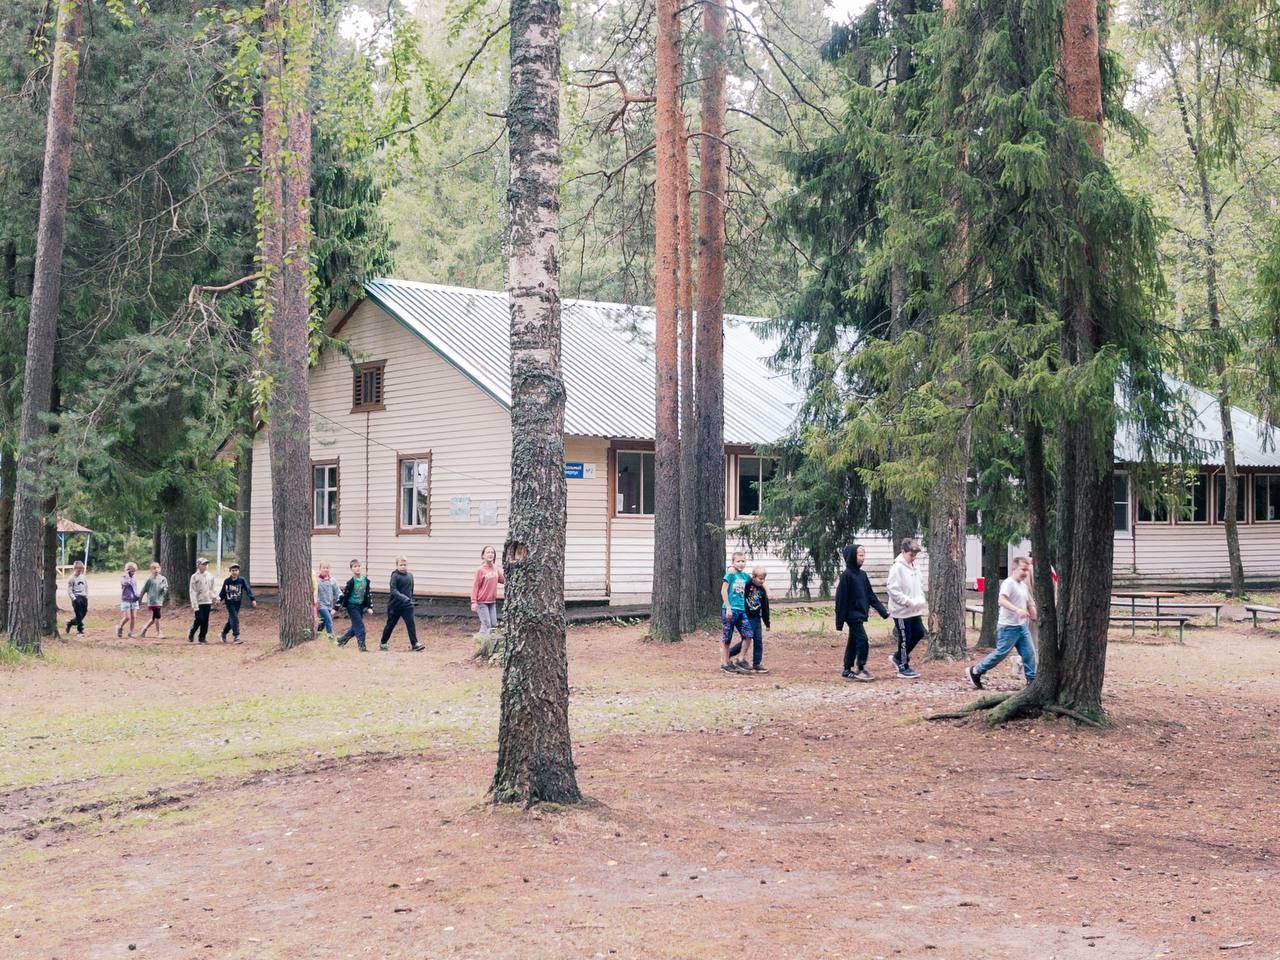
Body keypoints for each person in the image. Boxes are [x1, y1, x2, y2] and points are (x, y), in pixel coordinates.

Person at [968, 557, 1037, 689]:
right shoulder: (1008, 583)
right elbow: (1002, 600)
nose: (1025, 573)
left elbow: (1029, 602)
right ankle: (976, 671)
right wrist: (1017, 610)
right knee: (1000, 654)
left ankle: (1032, 681)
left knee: (1029, 653)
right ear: (1014, 568)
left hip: (1022, 626)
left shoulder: (1023, 586)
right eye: (1023, 569)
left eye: (1027, 570)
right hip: (1008, 627)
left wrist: (1033, 614)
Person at [835, 543, 889, 681]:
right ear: (852, 556)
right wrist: (839, 622)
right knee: (862, 639)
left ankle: (847, 669)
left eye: (864, 555)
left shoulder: (863, 575)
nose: (863, 558)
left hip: (860, 614)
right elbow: (841, 600)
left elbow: (871, 596)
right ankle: (861, 668)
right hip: (851, 615)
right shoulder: (846, 576)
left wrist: (883, 612)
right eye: (860, 555)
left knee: (853, 641)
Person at [885, 538, 928, 679]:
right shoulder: (897, 568)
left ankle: (897, 657)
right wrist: (907, 602)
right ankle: (903, 666)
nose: (913, 558)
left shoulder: (915, 565)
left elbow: (919, 584)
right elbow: (893, 590)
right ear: (903, 552)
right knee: (904, 638)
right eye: (911, 555)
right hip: (902, 611)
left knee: (919, 633)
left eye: (915, 555)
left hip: (915, 609)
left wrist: (920, 599)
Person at [730, 566, 771, 673]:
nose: (762, 581)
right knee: (747, 638)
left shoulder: (762, 591)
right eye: (760, 579)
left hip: (757, 618)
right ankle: (730, 653)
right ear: (753, 577)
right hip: (747, 616)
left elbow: (765, 607)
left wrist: (767, 622)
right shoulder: (747, 585)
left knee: (758, 641)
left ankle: (757, 663)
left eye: (763, 579)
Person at [720, 551, 754, 674]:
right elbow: (723, 591)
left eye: (743, 561)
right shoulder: (730, 575)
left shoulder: (745, 577)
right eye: (738, 561)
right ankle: (724, 663)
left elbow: (754, 585)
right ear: (733, 562)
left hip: (742, 610)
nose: (741, 563)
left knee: (748, 634)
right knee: (727, 638)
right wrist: (728, 607)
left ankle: (740, 659)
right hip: (730, 610)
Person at [380, 556, 423, 652]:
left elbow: (411, 590)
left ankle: (415, 643)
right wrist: (404, 598)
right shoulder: (395, 576)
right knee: (390, 624)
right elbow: (393, 590)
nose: (403, 567)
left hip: (407, 606)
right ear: (397, 566)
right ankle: (383, 642)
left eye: (405, 565)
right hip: (395, 606)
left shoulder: (410, 576)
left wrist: (410, 600)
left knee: (410, 624)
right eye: (401, 565)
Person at [338, 559, 373, 650]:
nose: (357, 568)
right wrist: (340, 606)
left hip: (360, 606)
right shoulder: (351, 582)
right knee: (360, 625)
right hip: (352, 606)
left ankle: (341, 640)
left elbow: (368, 594)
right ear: (351, 569)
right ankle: (362, 646)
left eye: (358, 566)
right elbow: (345, 595)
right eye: (355, 567)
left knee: (355, 626)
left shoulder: (365, 580)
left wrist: (369, 606)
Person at [218, 563, 256, 643]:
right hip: (229, 603)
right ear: (230, 571)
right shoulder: (227, 581)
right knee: (235, 618)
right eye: (233, 570)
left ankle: (223, 633)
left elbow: (247, 589)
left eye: (236, 570)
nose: (234, 572)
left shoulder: (241, 580)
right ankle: (236, 636)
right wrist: (219, 600)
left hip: (237, 603)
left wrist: (252, 599)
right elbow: (223, 592)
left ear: (238, 571)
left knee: (231, 620)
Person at [471, 545, 504, 636]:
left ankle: (487, 645)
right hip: (482, 602)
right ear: (483, 556)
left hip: (492, 602)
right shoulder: (480, 570)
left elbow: (503, 580)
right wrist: (474, 602)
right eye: (488, 552)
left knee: (493, 625)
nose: (490, 554)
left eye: (492, 552)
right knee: (487, 625)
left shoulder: (496, 568)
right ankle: (480, 643)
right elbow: (475, 586)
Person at [188, 557, 217, 644]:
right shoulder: (194, 577)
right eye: (203, 564)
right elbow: (192, 591)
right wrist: (194, 604)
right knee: (199, 619)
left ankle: (202, 637)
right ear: (198, 565)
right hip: (198, 601)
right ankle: (192, 632)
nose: (205, 566)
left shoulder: (210, 576)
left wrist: (215, 598)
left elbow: (212, 588)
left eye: (206, 564)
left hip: (207, 601)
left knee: (205, 620)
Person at [139, 562, 170, 639]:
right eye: (154, 568)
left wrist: (164, 589)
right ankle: (158, 632)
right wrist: (140, 599)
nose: (156, 570)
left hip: (159, 600)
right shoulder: (149, 580)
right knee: (158, 616)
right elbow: (144, 590)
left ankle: (144, 628)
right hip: (152, 601)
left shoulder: (163, 579)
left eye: (158, 568)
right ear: (151, 570)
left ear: (160, 569)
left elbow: (166, 588)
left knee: (154, 618)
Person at [315, 562, 338, 642]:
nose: (326, 569)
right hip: (321, 605)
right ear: (320, 569)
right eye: (324, 568)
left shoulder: (332, 580)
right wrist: (316, 601)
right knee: (329, 620)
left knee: (322, 623)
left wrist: (337, 605)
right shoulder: (317, 580)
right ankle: (332, 640)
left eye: (327, 568)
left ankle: (316, 637)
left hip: (329, 605)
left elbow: (337, 592)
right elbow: (314, 591)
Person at [117, 562, 141, 639]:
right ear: (127, 570)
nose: (133, 573)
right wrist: (127, 575)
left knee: (134, 617)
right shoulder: (123, 577)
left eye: (134, 571)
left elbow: (134, 587)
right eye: (132, 571)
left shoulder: (134, 577)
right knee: (127, 617)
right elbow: (125, 583)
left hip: (133, 599)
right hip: (126, 599)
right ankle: (120, 627)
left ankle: (131, 632)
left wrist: (137, 595)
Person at [65, 560, 89, 636]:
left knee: (83, 614)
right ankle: (80, 629)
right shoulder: (71, 578)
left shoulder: (83, 577)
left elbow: (86, 587)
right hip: (76, 598)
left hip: (83, 597)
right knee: (78, 614)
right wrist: (73, 598)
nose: (79, 570)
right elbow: (69, 590)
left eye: (81, 568)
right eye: (78, 568)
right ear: (74, 568)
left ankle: (70, 623)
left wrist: (86, 595)